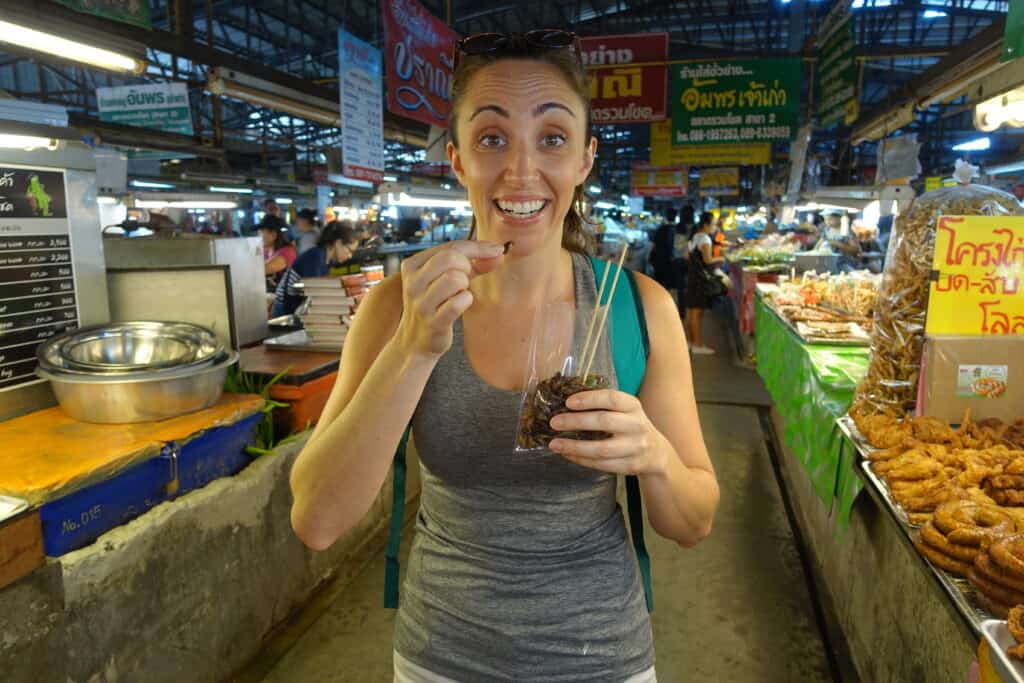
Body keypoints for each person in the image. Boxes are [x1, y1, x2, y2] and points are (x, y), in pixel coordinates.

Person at [289, 29, 718, 682]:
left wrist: (653, 454)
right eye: (493, 138)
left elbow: (692, 521)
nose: (521, 172)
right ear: (458, 159)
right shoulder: (397, 307)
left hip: (601, 656)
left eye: (552, 138)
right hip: (441, 656)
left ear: (584, 159)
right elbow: (317, 519)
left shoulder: (641, 309)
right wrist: (414, 346)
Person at [272, 220, 360, 317]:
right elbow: (315, 294)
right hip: (285, 309)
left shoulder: (328, 260)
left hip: (296, 307)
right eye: (349, 250)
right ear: (338, 243)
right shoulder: (316, 257)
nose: (350, 256)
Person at [685, 212, 725, 355]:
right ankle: (698, 345)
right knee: (697, 312)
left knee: (690, 311)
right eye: (714, 224)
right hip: (700, 280)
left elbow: (687, 256)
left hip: (692, 278)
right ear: (706, 225)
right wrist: (722, 257)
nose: (715, 227)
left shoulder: (695, 237)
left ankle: (690, 342)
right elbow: (708, 260)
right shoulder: (705, 239)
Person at [259, 214, 296, 290]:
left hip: (284, 298)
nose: (259, 236)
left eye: (262, 231)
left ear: (274, 235)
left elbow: (263, 269)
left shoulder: (287, 252)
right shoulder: (265, 251)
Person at [648, 207, 678, 296]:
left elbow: (653, 245)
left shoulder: (660, 229)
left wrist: (648, 256)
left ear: (666, 217)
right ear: (676, 217)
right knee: (671, 284)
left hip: (659, 260)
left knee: (659, 283)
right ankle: (670, 305)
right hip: (673, 261)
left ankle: (658, 300)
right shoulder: (678, 230)